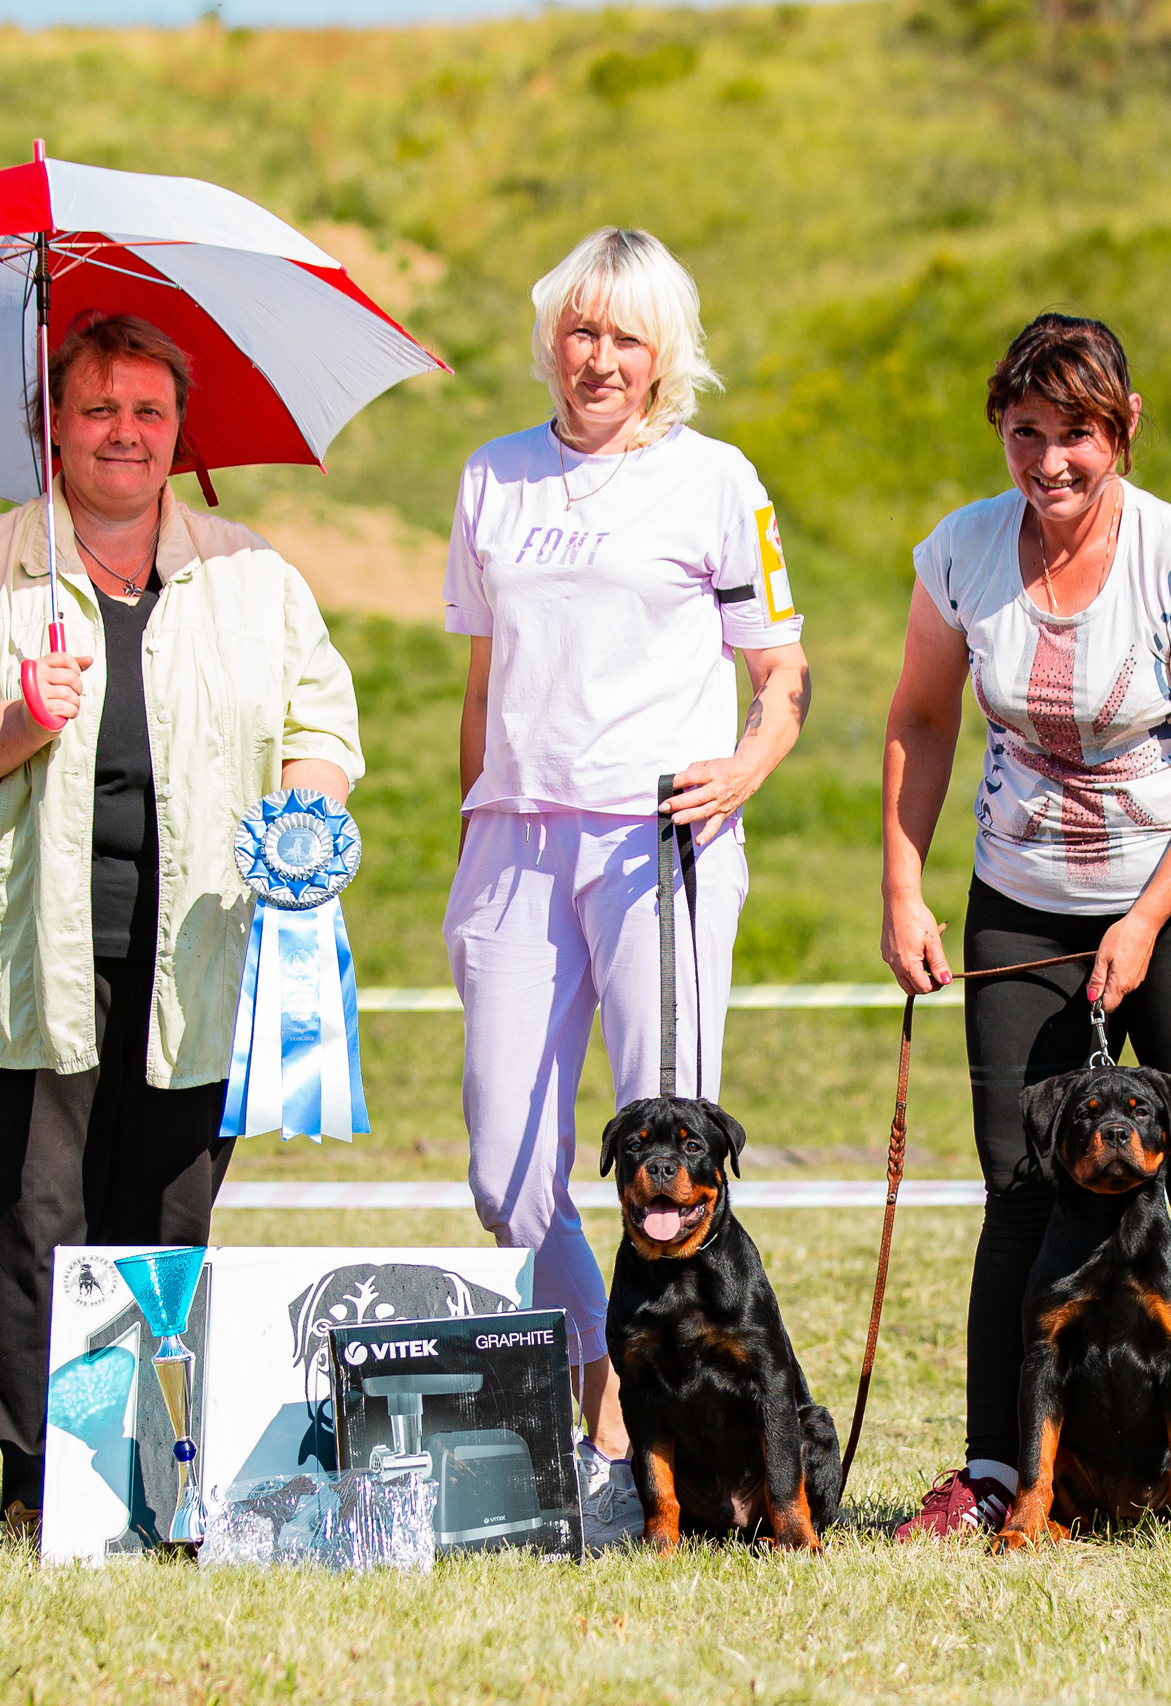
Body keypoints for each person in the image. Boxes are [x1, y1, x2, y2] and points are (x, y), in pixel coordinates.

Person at [0, 313, 362, 1535]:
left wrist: (306, 814)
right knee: (39, 1219)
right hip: (23, 961)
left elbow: (323, 724)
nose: (124, 432)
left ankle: (156, 1473)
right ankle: (43, 1482)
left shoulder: (257, 576)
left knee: (168, 1217)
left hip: (200, 952)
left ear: (179, 430)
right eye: (97, 409)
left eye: (148, 410)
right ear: (51, 426)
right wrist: (15, 720)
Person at [878, 313, 1171, 1545]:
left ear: (1120, 429)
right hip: (1021, 898)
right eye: (1025, 432)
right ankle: (988, 1475)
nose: (1048, 460)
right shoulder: (960, 554)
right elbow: (920, 718)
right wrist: (904, 888)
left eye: (1074, 433)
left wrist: (1144, 915)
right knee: (1018, 1187)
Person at [440, 228, 811, 1546]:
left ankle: (618, 1442)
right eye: (581, 331)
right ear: (552, 338)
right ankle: (598, 1367)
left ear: (666, 357)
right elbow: (480, 686)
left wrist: (745, 770)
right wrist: (472, 827)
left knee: (668, 1150)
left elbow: (783, 678)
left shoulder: (716, 483)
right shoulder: (492, 475)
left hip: (659, 845)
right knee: (507, 1168)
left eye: (627, 338)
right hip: (516, 843)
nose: (600, 358)